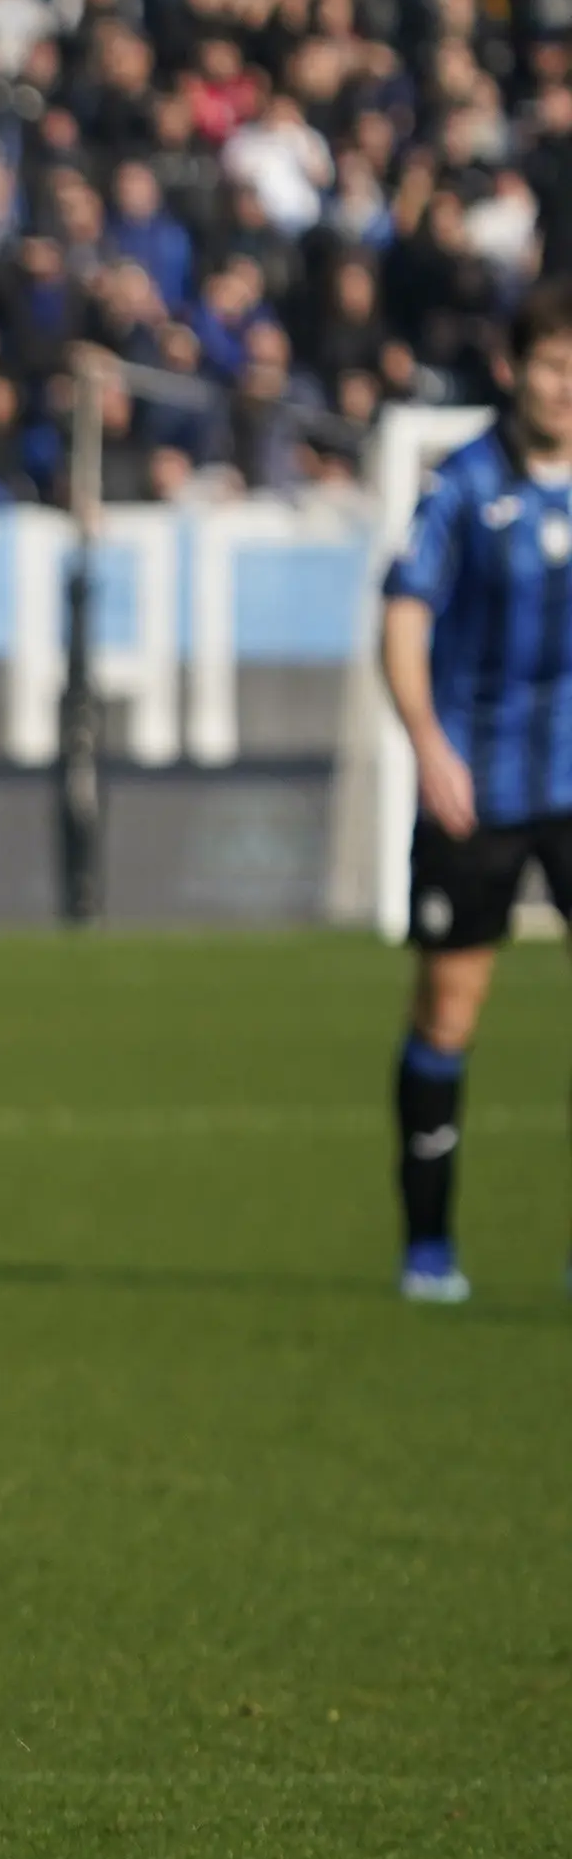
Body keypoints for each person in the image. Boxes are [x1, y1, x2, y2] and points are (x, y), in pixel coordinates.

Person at [380, 276, 572, 1302]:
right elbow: (405, 616)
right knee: (450, 1008)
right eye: (551, 366)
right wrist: (427, 741)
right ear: (514, 371)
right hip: (478, 786)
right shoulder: (461, 486)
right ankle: (427, 1247)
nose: (567, 387)